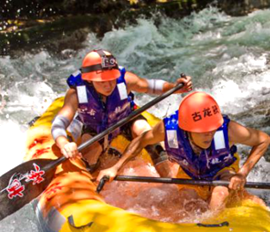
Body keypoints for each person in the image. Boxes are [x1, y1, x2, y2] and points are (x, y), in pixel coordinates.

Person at [97, 92, 270, 211]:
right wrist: (116, 167)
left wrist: (242, 174)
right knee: (186, 204)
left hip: (222, 170)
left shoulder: (228, 129)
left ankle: (213, 228)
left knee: (219, 192)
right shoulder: (169, 129)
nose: (209, 135)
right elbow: (142, 139)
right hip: (190, 173)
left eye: (211, 129)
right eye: (202, 131)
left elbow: (264, 139)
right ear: (187, 129)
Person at [51, 49, 192, 173]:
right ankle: (94, 180)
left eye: (111, 79)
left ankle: (169, 181)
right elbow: (59, 123)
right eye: (102, 82)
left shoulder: (124, 80)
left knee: (145, 133)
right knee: (89, 155)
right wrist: (64, 143)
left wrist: (175, 87)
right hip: (96, 127)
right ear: (89, 80)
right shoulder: (76, 94)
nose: (108, 85)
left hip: (126, 118)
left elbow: (150, 86)